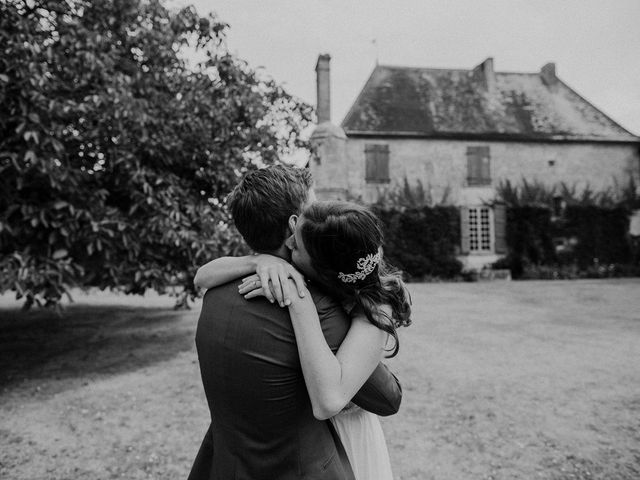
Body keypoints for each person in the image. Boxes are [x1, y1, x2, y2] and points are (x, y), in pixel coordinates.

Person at [188, 165, 402, 480]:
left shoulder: (217, 291)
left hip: (226, 466)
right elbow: (385, 397)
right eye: (312, 208)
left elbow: (200, 277)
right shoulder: (320, 309)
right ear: (293, 227)